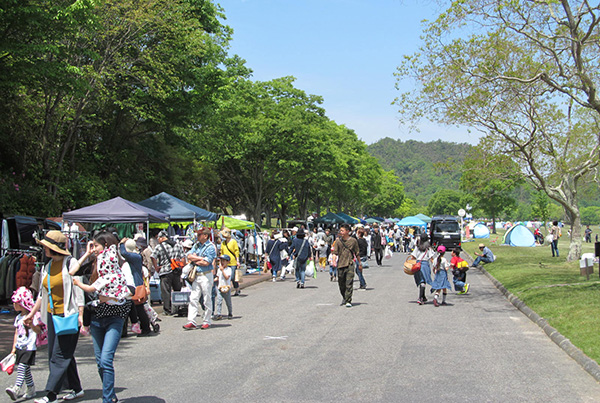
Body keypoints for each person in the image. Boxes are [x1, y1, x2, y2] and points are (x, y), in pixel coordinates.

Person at [71, 232, 132, 403]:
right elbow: (73, 271)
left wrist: (112, 298)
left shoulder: (121, 265)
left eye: (96, 246)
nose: (94, 249)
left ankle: (107, 399)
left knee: (106, 359)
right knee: (100, 362)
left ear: (106, 245)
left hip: (115, 316)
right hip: (96, 316)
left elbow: (131, 290)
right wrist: (87, 253)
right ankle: (111, 395)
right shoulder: (95, 263)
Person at [26, 230, 85, 403]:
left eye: (46, 246)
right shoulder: (48, 266)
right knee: (60, 352)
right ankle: (76, 388)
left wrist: (81, 314)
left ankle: (51, 394)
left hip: (69, 314)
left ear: (54, 249)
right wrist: (31, 314)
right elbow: (42, 295)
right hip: (52, 315)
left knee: (59, 355)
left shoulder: (71, 263)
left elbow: (78, 289)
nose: (43, 249)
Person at [6, 287, 42, 401]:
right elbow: (16, 333)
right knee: (25, 370)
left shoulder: (33, 317)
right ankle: (31, 388)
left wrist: (31, 325)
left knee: (22, 367)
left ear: (22, 303)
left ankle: (17, 388)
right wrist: (13, 348)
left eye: (16, 302)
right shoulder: (18, 318)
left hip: (29, 347)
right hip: (20, 346)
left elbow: (38, 331)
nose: (13, 304)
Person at [184, 228, 217, 330]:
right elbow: (189, 256)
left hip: (206, 275)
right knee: (193, 298)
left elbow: (207, 262)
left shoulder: (210, 247)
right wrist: (200, 258)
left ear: (205, 236)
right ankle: (191, 321)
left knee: (207, 298)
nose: (197, 237)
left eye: (199, 235)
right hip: (196, 274)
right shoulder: (196, 245)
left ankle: (207, 320)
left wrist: (195, 259)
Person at [119, 238, 151, 337]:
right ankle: (144, 328)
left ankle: (145, 328)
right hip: (134, 284)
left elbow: (124, 253)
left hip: (135, 285)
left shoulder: (135, 257)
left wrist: (121, 243)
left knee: (137, 308)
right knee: (134, 308)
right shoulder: (136, 257)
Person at [151, 230, 185, 316]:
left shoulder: (159, 246)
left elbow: (153, 256)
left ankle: (167, 309)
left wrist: (156, 267)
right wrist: (181, 267)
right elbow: (183, 258)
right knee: (177, 289)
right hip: (177, 270)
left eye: (158, 238)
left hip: (165, 271)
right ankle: (178, 307)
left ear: (162, 238)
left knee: (166, 290)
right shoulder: (178, 245)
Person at [332, 224, 361, 307]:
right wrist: (334, 261)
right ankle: (344, 297)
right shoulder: (338, 241)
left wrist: (360, 263)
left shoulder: (353, 241)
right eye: (340, 230)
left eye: (342, 230)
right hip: (340, 264)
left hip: (350, 264)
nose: (340, 232)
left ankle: (348, 300)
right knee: (341, 283)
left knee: (349, 283)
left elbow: (357, 253)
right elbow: (335, 253)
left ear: (347, 231)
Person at [407, 234, 434, 305]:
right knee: (424, 281)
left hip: (417, 264)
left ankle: (423, 296)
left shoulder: (417, 247)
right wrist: (435, 266)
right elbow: (431, 258)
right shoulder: (428, 248)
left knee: (421, 280)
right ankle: (420, 297)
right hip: (425, 265)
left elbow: (413, 256)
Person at [220, 228, 241, 296]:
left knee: (232, 277)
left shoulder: (233, 241)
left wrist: (237, 260)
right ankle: (227, 289)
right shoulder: (223, 243)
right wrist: (221, 262)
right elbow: (221, 253)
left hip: (232, 262)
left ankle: (236, 288)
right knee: (225, 276)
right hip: (225, 262)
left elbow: (236, 251)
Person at [213, 255, 233, 320]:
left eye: (224, 261)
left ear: (228, 262)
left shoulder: (229, 269)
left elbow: (227, 277)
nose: (222, 262)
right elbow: (218, 277)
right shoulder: (219, 269)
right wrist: (213, 280)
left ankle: (230, 313)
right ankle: (218, 314)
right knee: (219, 301)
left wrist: (222, 271)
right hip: (220, 287)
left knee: (228, 302)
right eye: (221, 261)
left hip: (227, 288)